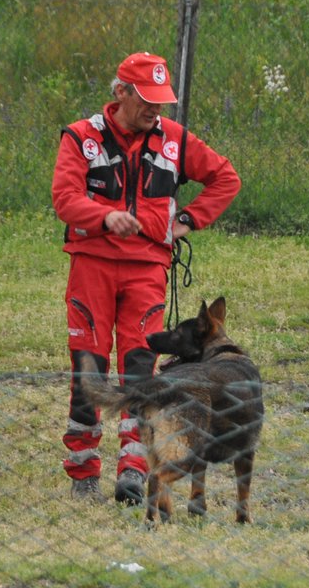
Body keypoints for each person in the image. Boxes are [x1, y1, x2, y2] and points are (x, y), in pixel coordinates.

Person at [51, 51, 240, 504]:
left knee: (140, 369)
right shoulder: (81, 137)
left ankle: (133, 469)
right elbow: (64, 198)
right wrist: (104, 216)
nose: (155, 110)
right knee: (88, 369)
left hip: (147, 271)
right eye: (146, 100)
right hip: (92, 265)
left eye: (161, 101)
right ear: (120, 93)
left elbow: (225, 179)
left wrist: (189, 221)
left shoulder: (174, 140)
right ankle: (83, 472)